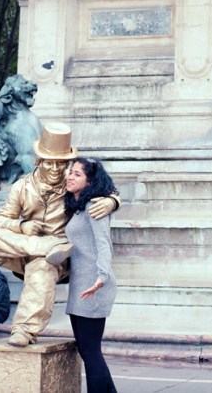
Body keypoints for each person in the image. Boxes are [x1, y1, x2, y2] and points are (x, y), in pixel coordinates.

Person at [0, 122, 118, 347]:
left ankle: (24, 330)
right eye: (49, 163)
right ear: (38, 161)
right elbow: (0, 219)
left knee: (42, 267)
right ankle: (47, 247)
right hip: (26, 248)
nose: (56, 169)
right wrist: (22, 226)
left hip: (60, 258)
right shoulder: (21, 187)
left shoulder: (72, 182)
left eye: (61, 163)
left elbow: (104, 186)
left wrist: (112, 201)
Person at [64, 157, 119, 393]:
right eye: (70, 172)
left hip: (94, 285)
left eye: (77, 174)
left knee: (91, 352)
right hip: (80, 286)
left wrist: (102, 277)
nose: (70, 176)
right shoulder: (77, 206)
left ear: (89, 182)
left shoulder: (94, 205)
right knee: (88, 351)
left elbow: (103, 243)